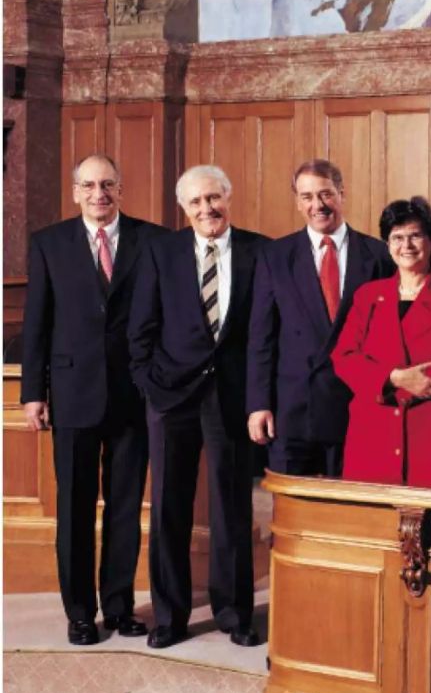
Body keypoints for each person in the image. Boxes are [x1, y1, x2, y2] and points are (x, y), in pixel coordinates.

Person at [20, 153, 167, 645]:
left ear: (120, 189)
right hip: (71, 393)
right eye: (89, 185)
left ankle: (121, 606)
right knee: (76, 509)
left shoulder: (153, 241)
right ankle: (80, 612)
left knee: (126, 507)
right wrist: (31, 394)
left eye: (107, 185)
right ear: (75, 190)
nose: (99, 194)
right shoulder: (49, 244)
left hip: (133, 396)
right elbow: (36, 323)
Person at [128, 165, 267, 649]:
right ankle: (170, 616)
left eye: (214, 198)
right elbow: (139, 327)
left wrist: (258, 397)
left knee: (232, 507)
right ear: (183, 209)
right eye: (196, 202)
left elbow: (264, 332)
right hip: (170, 397)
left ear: (229, 197)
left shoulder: (259, 250)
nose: (207, 209)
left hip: (231, 397)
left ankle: (234, 613)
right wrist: (149, 384)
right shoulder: (160, 252)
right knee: (169, 508)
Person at [246, 160, 395, 476]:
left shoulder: (378, 255)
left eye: (325, 194)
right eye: (307, 196)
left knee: (351, 513)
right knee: (292, 516)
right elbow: (261, 337)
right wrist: (259, 403)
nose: (318, 205)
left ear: (341, 193)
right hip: (293, 408)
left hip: (357, 404)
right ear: (298, 202)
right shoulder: (275, 256)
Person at [332, 197, 431, 490]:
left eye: (415, 235)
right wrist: (394, 378)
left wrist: (397, 384)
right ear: (387, 245)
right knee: (372, 525)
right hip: (375, 429)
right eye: (397, 238)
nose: (407, 245)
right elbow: (345, 357)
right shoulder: (367, 295)